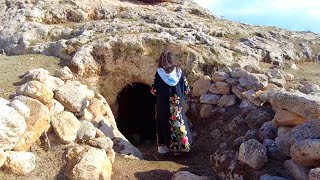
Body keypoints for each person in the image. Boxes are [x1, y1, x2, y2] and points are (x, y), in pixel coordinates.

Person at [151, 50, 193, 154]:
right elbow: (187, 90)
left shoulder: (160, 73)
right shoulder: (179, 72)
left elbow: (154, 90)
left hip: (163, 105)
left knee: (163, 124)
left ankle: (164, 149)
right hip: (176, 105)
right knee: (178, 124)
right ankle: (181, 149)